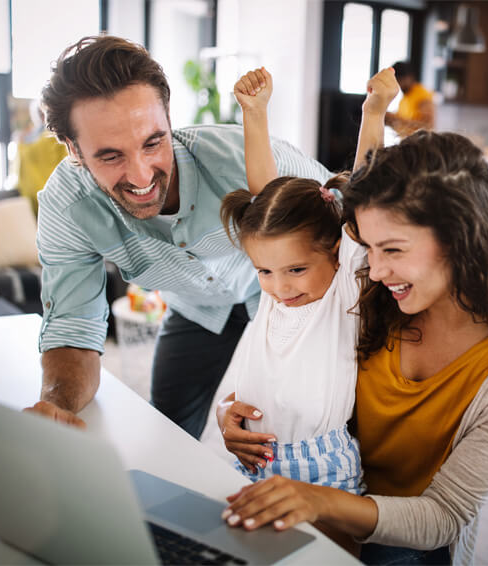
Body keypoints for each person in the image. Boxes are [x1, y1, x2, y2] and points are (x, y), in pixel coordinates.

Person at [217, 72, 488, 565]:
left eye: (392, 249)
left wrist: (321, 500)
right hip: (305, 499)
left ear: (460, 237)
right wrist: (246, 421)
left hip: (405, 538)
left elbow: (441, 516)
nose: (372, 269)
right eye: (368, 248)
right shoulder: (372, 293)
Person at [24, 35, 332, 439]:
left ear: (169, 117)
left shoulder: (245, 157)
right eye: (111, 155)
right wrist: (57, 405)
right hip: (195, 307)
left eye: (153, 142)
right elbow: (73, 326)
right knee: (167, 434)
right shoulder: (67, 208)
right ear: (73, 150)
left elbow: (352, 223)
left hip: (284, 297)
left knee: (309, 420)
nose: (141, 176)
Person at [216, 67, 395, 494]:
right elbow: (264, 198)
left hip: (323, 470)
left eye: (296, 269)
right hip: (254, 461)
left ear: (336, 252)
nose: (280, 288)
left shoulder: (340, 291)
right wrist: (254, 113)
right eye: (264, 271)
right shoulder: (277, 294)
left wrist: (374, 113)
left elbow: (364, 195)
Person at [385, 61, 435, 138]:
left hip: (417, 146)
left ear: (409, 77)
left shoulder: (422, 94)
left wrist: (396, 119)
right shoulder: (404, 98)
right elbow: (402, 124)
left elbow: (427, 126)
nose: (398, 84)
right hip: (406, 144)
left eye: (399, 80)